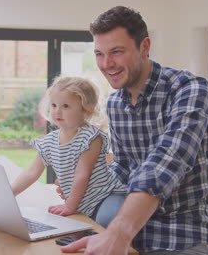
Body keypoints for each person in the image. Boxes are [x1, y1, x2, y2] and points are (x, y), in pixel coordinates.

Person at [61, 6, 208, 255]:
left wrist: (117, 233)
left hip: (182, 235)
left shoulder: (189, 90)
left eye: (116, 52)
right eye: (99, 54)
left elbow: (164, 167)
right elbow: (124, 167)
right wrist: (87, 182)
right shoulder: (116, 103)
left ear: (144, 47)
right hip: (130, 228)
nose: (106, 64)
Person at [11, 76, 126, 227]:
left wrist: (70, 206)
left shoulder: (91, 137)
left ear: (86, 108)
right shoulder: (49, 141)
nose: (57, 111)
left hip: (106, 196)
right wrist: (8, 194)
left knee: (105, 221)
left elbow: (82, 174)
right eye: (53, 105)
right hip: (80, 202)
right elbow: (31, 172)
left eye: (66, 106)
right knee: (78, 228)